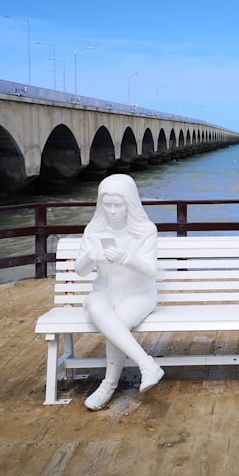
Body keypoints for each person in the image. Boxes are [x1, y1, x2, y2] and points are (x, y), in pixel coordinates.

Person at [76, 174, 165, 411]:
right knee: (96, 306)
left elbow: (150, 271)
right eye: (107, 205)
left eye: (118, 205)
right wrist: (91, 256)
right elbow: (80, 270)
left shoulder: (146, 230)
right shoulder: (94, 230)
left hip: (138, 293)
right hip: (104, 291)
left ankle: (108, 384)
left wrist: (126, 258)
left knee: (118, 322)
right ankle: (147, 364)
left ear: (130, 203)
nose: (112, 210)